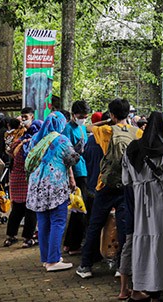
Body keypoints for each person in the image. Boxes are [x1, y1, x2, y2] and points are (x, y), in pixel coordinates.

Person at [122, 111, 163, 302]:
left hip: (140, 200)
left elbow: (126, 179)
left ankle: (140, 286)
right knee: (161, 243)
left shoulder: (132, 148)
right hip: (161, 199)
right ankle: (156, 291)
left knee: (143, 242)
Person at [77, 99, 140, 279]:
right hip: (127, 185)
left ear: (112, 114)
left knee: (95, 225)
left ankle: (86, 265)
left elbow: (85, 128)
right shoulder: (137, 133)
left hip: (105, 185)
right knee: (124, 226)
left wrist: (107, 121)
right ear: (128, 113)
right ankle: (122, 267)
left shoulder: (105, 130)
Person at [25, 112, 80, 272]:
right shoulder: (62, 140)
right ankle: (54, 260)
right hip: (55, 185)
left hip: (36, 185)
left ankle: (47, 258)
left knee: (43, 223)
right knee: (58, 221)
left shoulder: (36, 138)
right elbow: (72, 160)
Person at [62, 100, 91, 255]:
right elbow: (67, 155)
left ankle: (70, 242)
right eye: (81, 116)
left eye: (85, 117)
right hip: (75, 172)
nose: (83, 119)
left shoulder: (82, 128)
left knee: (78, 208)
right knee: (80, 208)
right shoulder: (67, 130)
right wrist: (71, 177)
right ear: (73, 115)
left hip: (83, 169)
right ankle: (73, 244)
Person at [4, 116, 37, 248]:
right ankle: (28, 238)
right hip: (28, 180)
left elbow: (9, 152)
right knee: (30, 210)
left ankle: (10, 236)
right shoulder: (34, 145)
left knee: (17, 209)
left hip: (15, 179)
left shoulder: (18, 142)